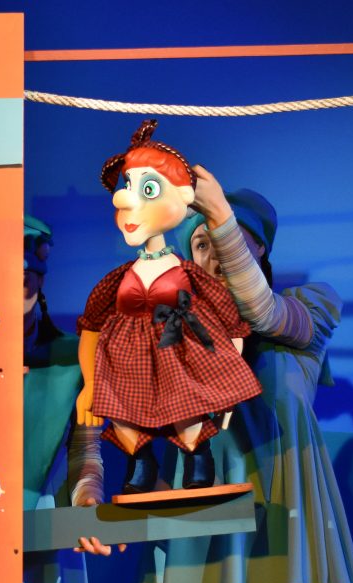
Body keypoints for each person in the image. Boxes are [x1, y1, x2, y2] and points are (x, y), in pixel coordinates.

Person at [129, 170, 353, 583]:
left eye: (229, 237)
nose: (214, 252)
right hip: (197, 528)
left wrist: (218, 214)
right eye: (200, 244)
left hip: (287, 527)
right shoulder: (173, 332)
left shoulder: (309, 308)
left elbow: (261, 312)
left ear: (259, 249)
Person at [76, 120, 260, 494]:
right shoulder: (117, 279)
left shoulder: (187, 273)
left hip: (178, 360)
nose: (126, 200)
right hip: (127, 366)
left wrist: (225, 384)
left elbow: (229, 323)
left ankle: (197, 459)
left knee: (187, 414)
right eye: (128, 188)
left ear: (182, 197)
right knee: (125, 418)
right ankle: (141, 464)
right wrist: (91, 383)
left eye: (147, 189)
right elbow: (91, 327)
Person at [22, 215, 103, 583]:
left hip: (48, 519)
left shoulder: (73, 356)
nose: (16, 284)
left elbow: (85, 449)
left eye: (26, 275)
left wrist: (87, 502)